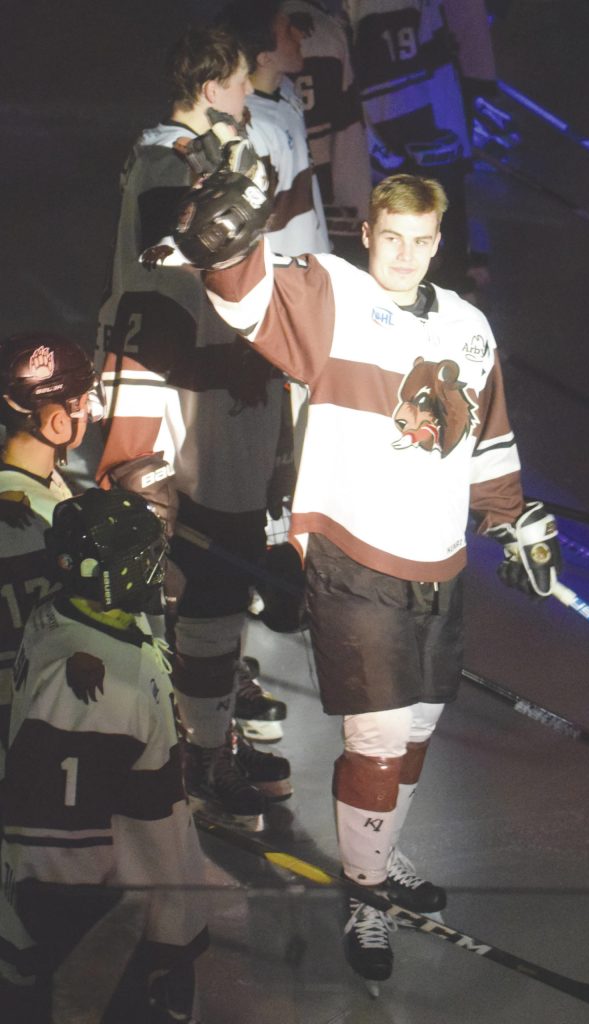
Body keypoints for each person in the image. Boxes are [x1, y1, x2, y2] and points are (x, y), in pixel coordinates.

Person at [159, 165, 562, 983]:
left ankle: (378, 854)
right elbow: (249, 300)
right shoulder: (333, 294)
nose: (405, 256)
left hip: (438, 563)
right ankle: (366, 896)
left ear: (437, 243)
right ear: (368, 234)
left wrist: (509, 519)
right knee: (376, 737)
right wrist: (224, 249)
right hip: (354, 560)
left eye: (421, 242)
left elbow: (487, 440)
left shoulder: (470, 327)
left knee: (415, 732)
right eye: (392, 239)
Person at [95, 23, 292, 830]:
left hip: (222, 398)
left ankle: (207, 737)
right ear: (211, 88)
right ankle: (190, 756)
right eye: (241, 83)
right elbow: (164, 265)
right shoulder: (166, 161)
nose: (250, 95)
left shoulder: (199, 157)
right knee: (195, 579)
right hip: (185, 404)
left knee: (221, 579)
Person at [1, 488, 208, 1022]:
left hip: (132, 906)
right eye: (146, 558)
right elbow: (56, 848)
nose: (157, 567)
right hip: (113, 934)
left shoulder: (70, 614)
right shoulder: (93, 683)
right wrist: (99, 953)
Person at [0, 332, 101, 792]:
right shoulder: (51, 522)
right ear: (59, 421)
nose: (89, 413)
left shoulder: (38, 486)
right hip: (38, 750)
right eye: (82, 403)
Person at [343, 0, 474, 293]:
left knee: (417, 237)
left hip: (413, 144)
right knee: (401, 240)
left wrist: (381, 150)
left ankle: (451, 287)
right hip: (403, 143)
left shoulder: (394, 8)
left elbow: (423, 76)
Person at [218, 0, 331, 257]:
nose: (299, 36)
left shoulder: (287, 90)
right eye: (288, 32)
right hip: (284, 269)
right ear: (264, 57)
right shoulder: (250, 125)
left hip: (314, 259)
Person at [282, 0, 372, 261]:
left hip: (273, 195)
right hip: (323, 187)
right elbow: (348, 133)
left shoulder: (243, 26)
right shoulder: (327, 31)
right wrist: (356, 205)